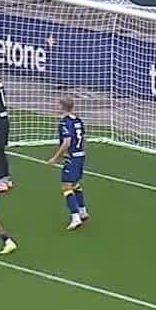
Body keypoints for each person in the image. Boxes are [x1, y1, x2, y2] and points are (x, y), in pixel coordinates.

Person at [46, 96, 89, 230]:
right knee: (75, 184)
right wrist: (81, 151)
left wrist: (55, 158)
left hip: (72, 158)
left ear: (62, 107)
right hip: (80, 155)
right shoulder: (78, 120)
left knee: (66, 186)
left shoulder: (64, 123)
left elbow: (67, 142)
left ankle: (75, 217)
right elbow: (84, 138)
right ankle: (82, 211)